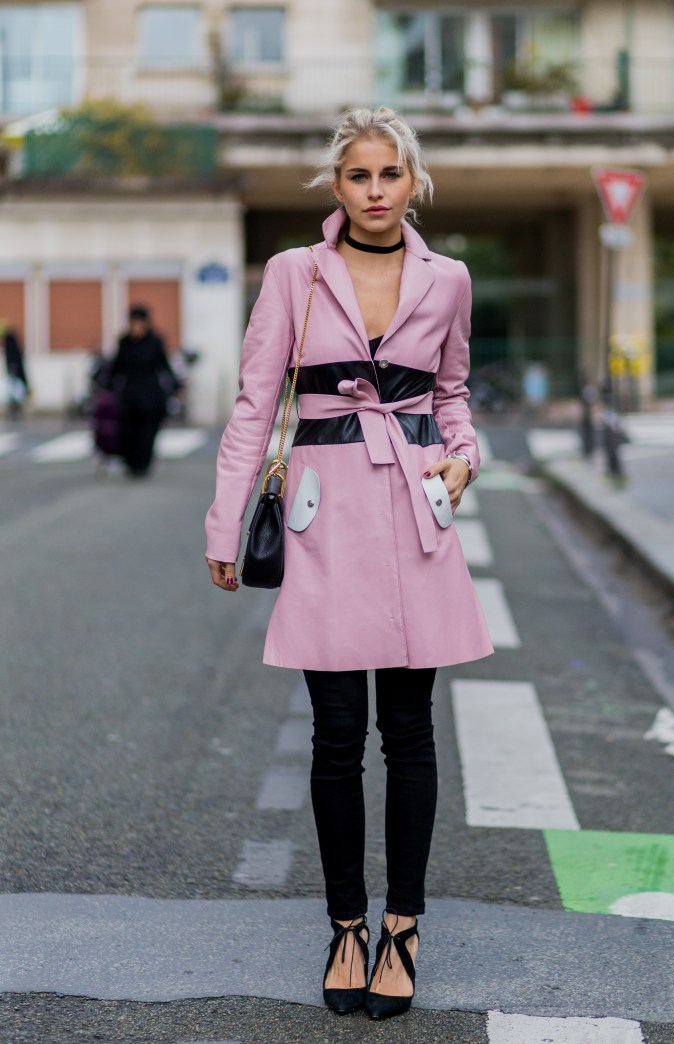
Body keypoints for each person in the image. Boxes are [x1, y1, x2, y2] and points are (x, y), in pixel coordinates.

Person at [205, 107, 493, 1021]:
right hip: (323, 516)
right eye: (359, 176)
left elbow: (452, 395)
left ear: (414, 184)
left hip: (414, 511)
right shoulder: (296, 272)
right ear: (338, 187)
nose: (375, 191)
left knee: (407, 732)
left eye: (390, 175)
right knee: (336, 737)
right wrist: (224, 525)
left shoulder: (448, 280)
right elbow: (255, 403)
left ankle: (401, 927)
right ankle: (344, 926)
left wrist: (464, 454)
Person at [109, 305, 177, 477]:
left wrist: (175, 385)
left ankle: (143, 464)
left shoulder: (155, 342)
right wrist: (106, 384)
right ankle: (131, 463)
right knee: (128, 431)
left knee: (148, 433)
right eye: (133, 322)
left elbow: (164, 365)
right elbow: (116, 367)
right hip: (129, 396)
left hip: (151, 396)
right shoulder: (124, 342)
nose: (136, 327)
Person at [2, 322, 30, 418]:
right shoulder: (11, 341)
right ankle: (15, 407)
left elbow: (12, 358)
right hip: (14, 370)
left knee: (14, 390)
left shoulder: (10, 342)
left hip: (14, 370)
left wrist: (11, 368)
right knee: (14, 390)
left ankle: (15, 407)